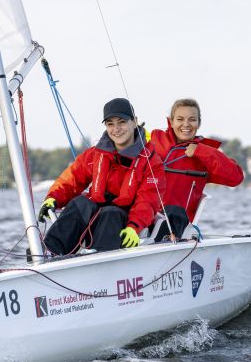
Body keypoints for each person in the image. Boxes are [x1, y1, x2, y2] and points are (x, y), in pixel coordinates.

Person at [38, 97, 166, 255]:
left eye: (122, 122)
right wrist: (53, 198)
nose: (116, 129)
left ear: (134, 122)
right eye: (110, 124)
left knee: (110, 214)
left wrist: (134, 227)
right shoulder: (94, 154)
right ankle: (49, 253)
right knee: (80, 203)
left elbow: (148, 200)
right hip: (95, 213)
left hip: (123, 219)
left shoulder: (152, 162)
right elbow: (71, 179)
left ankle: (100, 262)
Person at [150, 98, 244, 241]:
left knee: (173, 212)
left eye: (192, 120)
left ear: (199, 123)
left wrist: (201, 151)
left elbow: (236, 177)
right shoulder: (152, 141)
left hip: (175, 225)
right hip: (143, 215)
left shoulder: (204, 155)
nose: (186, 124)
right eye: (180, 119)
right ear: (171, 121)